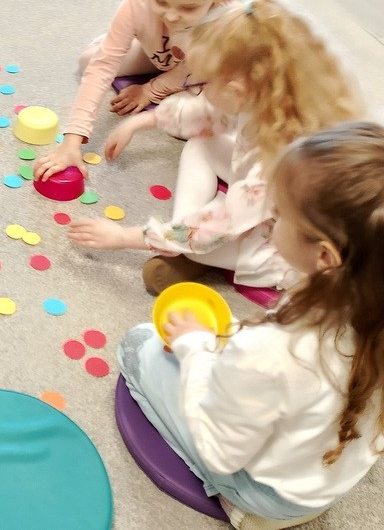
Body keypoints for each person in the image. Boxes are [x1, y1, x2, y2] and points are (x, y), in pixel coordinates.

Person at [117, 120, 384, 530]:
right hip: (325, 481)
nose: (271, 220)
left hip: (264, 493)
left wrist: (194, 345)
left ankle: (243, 507)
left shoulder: (275, 350)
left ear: (326, 257)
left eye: (280, 216)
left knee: (138, 343)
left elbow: (220, 450)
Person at [65, 0, 362, 293]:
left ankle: (187, 247)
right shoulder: (268, 100)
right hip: (264, 203)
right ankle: (183, 233)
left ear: (237, 89)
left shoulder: (279, 167)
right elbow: (210, 115)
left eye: (202, 84)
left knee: (203, 245)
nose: (197, 89)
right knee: (202, 144)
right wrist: (143, 121)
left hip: (287, 246)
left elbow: (218, 224)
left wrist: (122, 237)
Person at [35, 0, 234, 181]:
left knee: (189, 122)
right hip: (162, 56)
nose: (171, 16)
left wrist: (150, 91)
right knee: (89, 61)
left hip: (201, 77)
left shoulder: (228, 23)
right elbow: (103, 65)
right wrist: (72, 139)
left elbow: (190, 72)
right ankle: (142, 50)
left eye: (188, 8)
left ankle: (167, 87)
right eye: (160, 1)